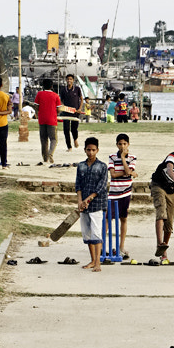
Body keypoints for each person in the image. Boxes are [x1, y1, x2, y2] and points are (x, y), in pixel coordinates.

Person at [75, 137, 109, 272]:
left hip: (97, 204)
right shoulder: (81, 166)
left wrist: (88, 199)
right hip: (83, 205)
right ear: (84, 150)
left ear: (97, 150)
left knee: (96, 233)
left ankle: (98, 263)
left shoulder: (102, 166)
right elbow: (78, 185)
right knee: (87, 233)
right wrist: (80, 201)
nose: (91, 152)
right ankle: (92, 260)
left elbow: (101, 187)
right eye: (88, 150)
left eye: (93, 150)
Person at [107, 133, 136, 259]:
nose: (122, 146)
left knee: (123, 218)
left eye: (124, 143)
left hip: (126, 191)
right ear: (116, 144)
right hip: (114, 192)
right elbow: (113, 174)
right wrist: (127, 172)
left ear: (128, 144)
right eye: (120, 144)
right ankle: (102, 246)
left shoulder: (132, 157)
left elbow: (129, 172)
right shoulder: (112, 157)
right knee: (108, 218)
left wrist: (124, 159)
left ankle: (121, 246)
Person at [34, 77, 62, 164]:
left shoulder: (39, 94)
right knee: (53, 139)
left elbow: (36, 106)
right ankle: (50, 153)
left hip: (42, 119)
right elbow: (59, 109)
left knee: (43, 139)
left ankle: (45, 158)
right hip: (52, 120)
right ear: (52, 86)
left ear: (43, 86)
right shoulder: (55, 95)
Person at [60, 73, 83, 150]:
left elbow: (81, 99)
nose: (69, 80)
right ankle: (69, 146)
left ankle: (75, 139)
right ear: (66, 80)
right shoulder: (63, 89)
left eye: (71, 79)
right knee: (66, 129)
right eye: (68, 79)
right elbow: (61, 101)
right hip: (66, 112)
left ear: (73, 80)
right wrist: (63, 107)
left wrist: (80, 109)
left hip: (75, 112)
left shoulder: (77, 89)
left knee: (74, 128)